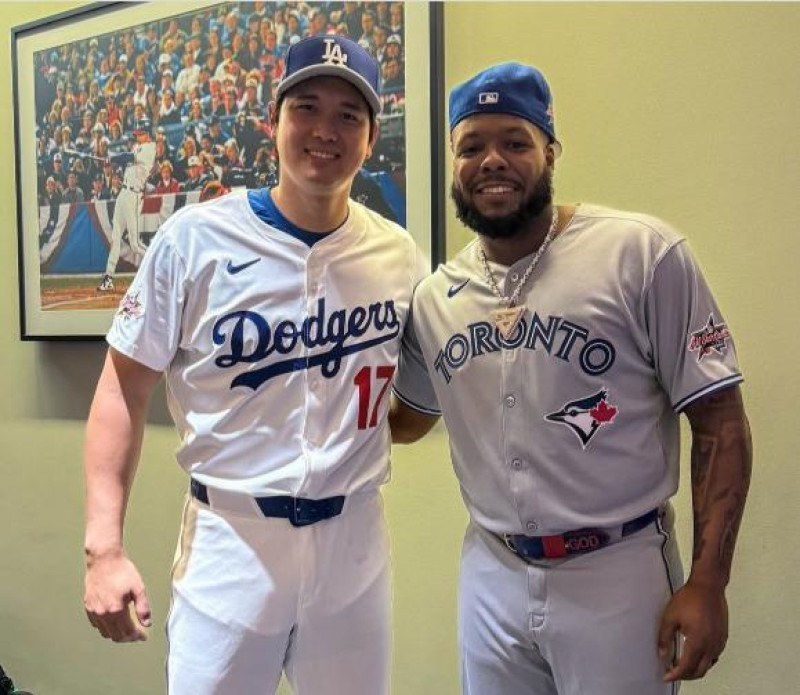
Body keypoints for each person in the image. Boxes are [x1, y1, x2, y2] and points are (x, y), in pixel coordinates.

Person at [390, 62, 752, 695]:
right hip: (492, 570)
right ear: (453, 162)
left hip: (617, 568)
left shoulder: (640, 254)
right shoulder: (435, 297)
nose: (492, 160)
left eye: (515, 141)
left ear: (550, 152)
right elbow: (408, 421)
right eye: (471, 147)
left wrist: (708, 583)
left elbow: (721, 422)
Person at [83, 34, 427, 695]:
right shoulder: (194, 239)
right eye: (306, 107)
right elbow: (122, 388)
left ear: (370, 138)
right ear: (273, 121)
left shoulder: (398, 254)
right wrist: (103, 547)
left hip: (353, 539)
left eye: (347, 115)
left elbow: (423, 387)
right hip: (231, 537)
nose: (324, 130)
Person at [97, 118, 156, 292]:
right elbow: (126, 161)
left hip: (134, 196)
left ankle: (158, 264)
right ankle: (108, 277)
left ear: (148, 134)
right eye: (137, 134)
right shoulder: (138, 147)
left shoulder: (150, 149)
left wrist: (112, 157)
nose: (138, 136)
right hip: (123, 193)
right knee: (115, 237)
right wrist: (112, 162)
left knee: (134, 244)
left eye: (141, 134)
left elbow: (127, 157)